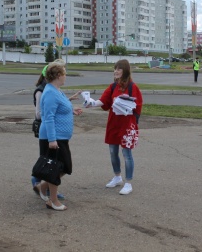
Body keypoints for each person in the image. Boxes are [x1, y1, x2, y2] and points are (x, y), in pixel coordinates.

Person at [86, 59, 143, 195]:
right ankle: (117, 177)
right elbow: (103, 101)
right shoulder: (112, 86)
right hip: (113, 124)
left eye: (119, 69)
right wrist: (91, 103)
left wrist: (128, 109)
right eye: (115, 69)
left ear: (125, 71)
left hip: (127, 125)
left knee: (126, 154)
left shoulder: (132, 87)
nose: (116, 71)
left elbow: (138, 105)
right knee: (113, 152)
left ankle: (128, 183)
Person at [34, 61, 83, 211]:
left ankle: (42, 186)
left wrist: (71, 111)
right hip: (53, 138)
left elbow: (60, 107)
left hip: (61, 137)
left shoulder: (57, 90)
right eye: (64, 73)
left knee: (65, 167)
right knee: (55, 168)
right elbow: (48, 117)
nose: (65, 76)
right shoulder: (49, 92)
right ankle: (52, 201)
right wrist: (52, 139)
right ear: (57, 75)